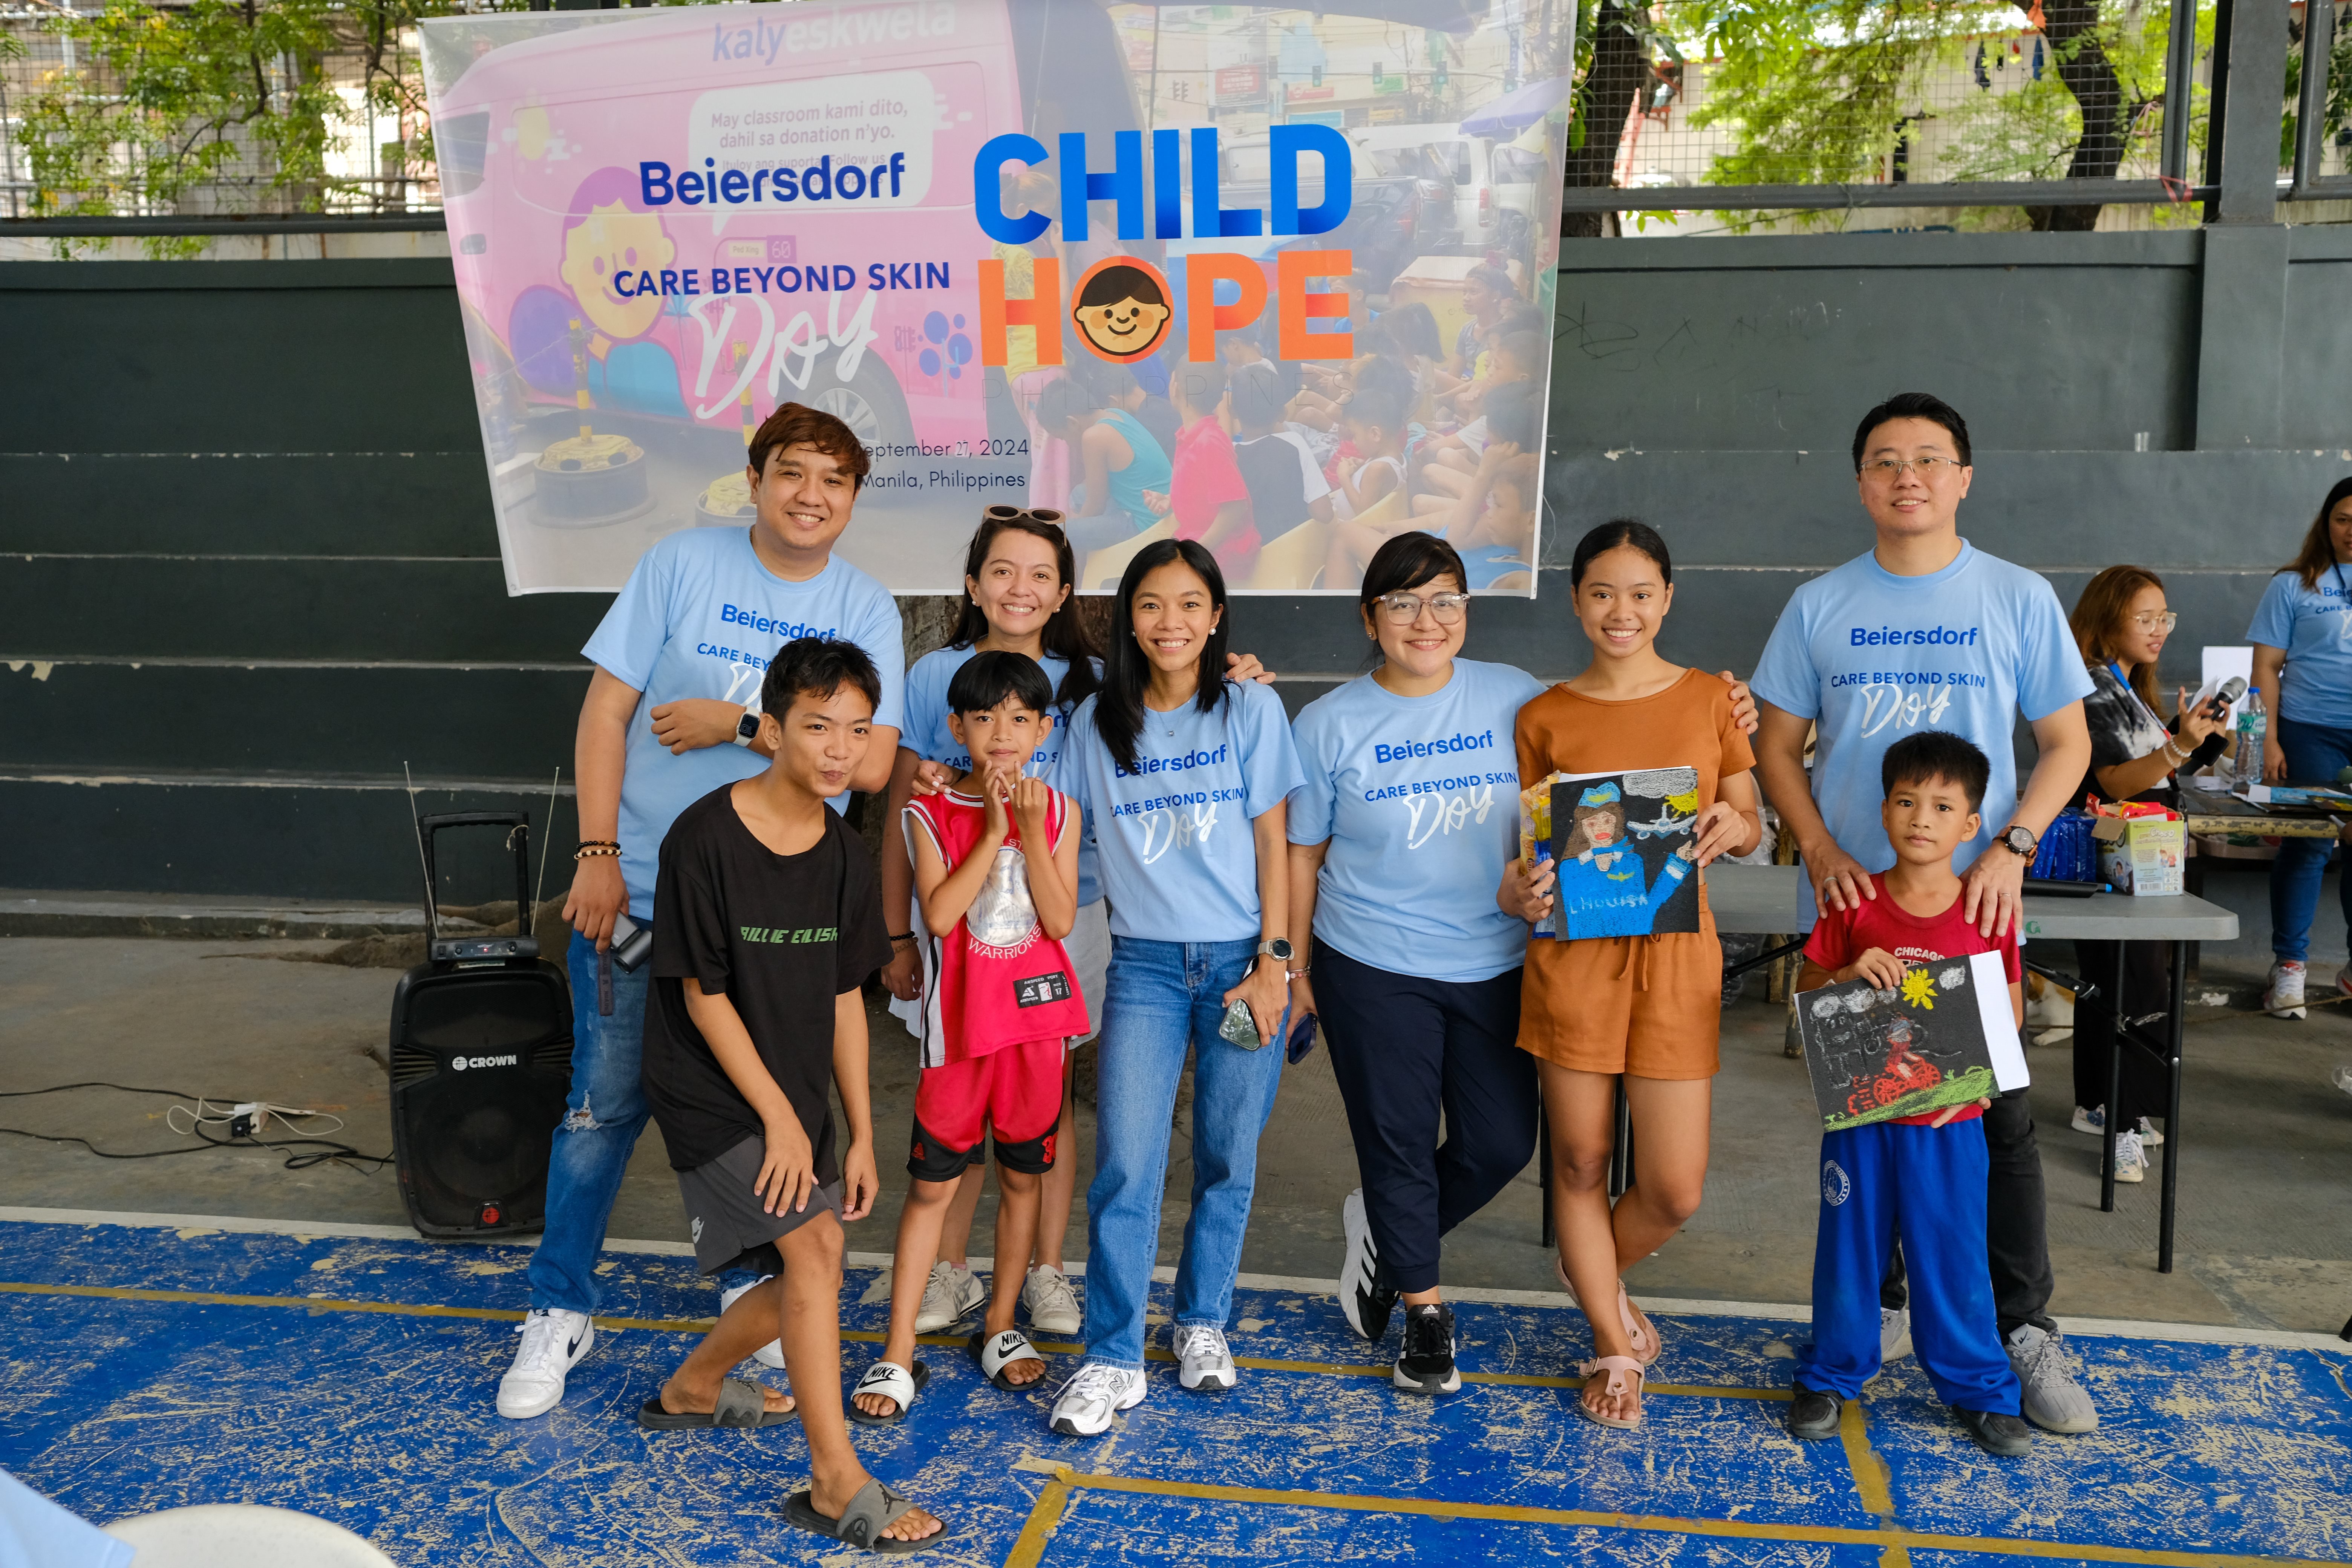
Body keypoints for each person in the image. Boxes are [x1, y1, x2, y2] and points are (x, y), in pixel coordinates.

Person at [498, 402, 903, 1420]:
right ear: (756, 479)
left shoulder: (867, 605)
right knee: (602, 1111)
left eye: (835, 480)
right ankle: (559, 1309)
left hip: (773, 928)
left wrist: (745, 727)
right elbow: (606, 712)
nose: (812, 496)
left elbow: (875, 763)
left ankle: (744, 1297)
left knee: (766, 1113)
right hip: (636, 896)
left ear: (855, 497)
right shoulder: (680, 563)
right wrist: (594, 854)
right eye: (793, 473)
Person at [1749, 391, 2097, 1436]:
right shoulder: (1819, 604)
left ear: (1964, 478)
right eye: (1888, 461)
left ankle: (2019, 1331)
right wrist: (1816, 844)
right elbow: (1774, 748)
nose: (1910, 476)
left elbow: (2068, 745)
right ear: (1862, 482)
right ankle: (1878, 1321)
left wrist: (2015, 842)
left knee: (1998, 1125)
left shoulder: (2017, 595)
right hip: (1860, 918)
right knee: (1869, 1131)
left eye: (1931, 459)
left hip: (1971, 911)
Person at [879, 511, 1276, 1342]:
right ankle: (952, 1269)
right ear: (972, 581)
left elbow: (1180, 706)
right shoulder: (935, 676)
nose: (1019, 589)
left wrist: (1235, 680)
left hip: (1073, 910)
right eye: (1001, 570)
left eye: (1040, 575)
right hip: (961, 909)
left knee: (1041, 1089)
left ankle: (1045, 1270)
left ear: (1066, 593)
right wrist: (895, 933)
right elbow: (905, 804)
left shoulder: (1094, 680)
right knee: (963, 1084)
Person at [633, 637, 941, 1550]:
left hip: (797, 1089)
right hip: (708, 1083)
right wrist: (774, 1118)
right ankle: (833, 1478)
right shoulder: (703, 838)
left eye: (856, 729)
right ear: (771, 731)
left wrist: (857, 1133)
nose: (840, 748)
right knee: (811, 1254)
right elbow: (704, 992)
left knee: (815, 1262)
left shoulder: (846, 854)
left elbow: (849, 996)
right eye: (817, 726)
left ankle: (692, 1388)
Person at [1498, 521, 1763, 1430]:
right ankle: (1615, 1346)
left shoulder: (1711, 698)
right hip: (1573, 960)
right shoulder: (1543, 717)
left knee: (1673, 1186)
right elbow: (1521, 861)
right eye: (1603, 593)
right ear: (1576, 601)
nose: (1623, 610)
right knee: (1576, 1160)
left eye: (1641, 592)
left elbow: (1748, 814)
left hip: (1676, 955)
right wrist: (1518, 891)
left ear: (1667, 599)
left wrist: (1735, 828)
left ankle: (1591, 1273)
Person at [1043, 540, 1304, 1435]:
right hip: (1146, 969)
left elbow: (1275, 846)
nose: (1171, 623)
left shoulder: (1251, 708)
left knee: (1228, 1154)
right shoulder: (1090, 726)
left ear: (1217, 614)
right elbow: (1055, 833)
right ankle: (1114, 1356)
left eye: (1190, 604)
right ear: (1127, 619)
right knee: (1127, 1159)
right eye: (1152, 605)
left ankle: (1201, 1322)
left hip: (1240, 967)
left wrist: (1277, 963)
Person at [1284, 533, 1545, 1395]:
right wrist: (1294, 967)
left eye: (1444, 600)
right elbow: (1301, 857)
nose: (1424, 620)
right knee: (1395, 1142)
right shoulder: (1327, 724)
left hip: (1496, 959)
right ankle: (1425, 1315)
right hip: (1372, 961)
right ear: (1371, 618)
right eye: (1401, 603)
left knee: (1500, 1142)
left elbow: (1610, 745)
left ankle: (1384, 1230)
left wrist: (1721, 711)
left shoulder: (1516, 698)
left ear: (1466, 610)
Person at [852, 651, 1090, 1426]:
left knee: (1023, 1180)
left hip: (1036, 1032)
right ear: (956, 726)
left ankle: (1000, 1326)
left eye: (1021, 718)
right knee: (931, 1188)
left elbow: (1058, 921)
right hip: (960, 1036)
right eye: (984, 718)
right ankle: (895, 1351)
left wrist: (1024, 823)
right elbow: (944, 914)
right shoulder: (926, 811)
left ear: (1044, 730)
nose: (1001, 733)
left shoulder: (1058, 810)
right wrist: (993, 829)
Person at [1784, 730, 2032, 1460]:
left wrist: (1975, 1091)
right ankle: (1830, 1373)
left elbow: (2009, 1014)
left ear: (1971, 824)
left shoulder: (1988, 909)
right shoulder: (1852, 904)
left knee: (1954, 1253)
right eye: (1905, 801)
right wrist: (1843, 977)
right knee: (1850, 1252)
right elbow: (1805, 997)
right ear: (1885, 809)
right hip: (1861, 1120)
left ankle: (1980, 1386)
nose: (1921, 817)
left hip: (1948, 1124)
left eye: (1942, 805)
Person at [2066, 565, 2223, 1181]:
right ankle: (2123, 1124)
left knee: (2112, 983)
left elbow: (2159, 772)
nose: (2160, 629)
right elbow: (2115, 781)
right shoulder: (2091, 686)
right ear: (2108, 619)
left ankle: (2097, 1105)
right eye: (2146, 618)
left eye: (2166, 618)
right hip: (2117, 851)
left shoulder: (2127, 686)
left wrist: (2200, 740)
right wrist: (2180, 746)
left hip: (2136, 853)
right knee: (2138, 986)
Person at [2245, 477, 2352, 1018]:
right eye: (2343, 518)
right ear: (2325, 523)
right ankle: (2290, 967)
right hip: (2311, 729)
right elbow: (2266, 667)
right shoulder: (2293, 585)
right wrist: (2269, 739)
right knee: (2309, 843)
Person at [1036, 376, 1171, 559]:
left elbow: (1096, 505)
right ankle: (1086, 559)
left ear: (1072, 423)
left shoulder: (1094, 437)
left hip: (1144, 524)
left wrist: (1074, 533)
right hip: (1159, 508)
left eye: (1063, 437)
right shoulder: (1114, 414)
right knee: (1078, 495)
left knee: (1053, 534)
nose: (1067, 444)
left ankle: (1078, 571)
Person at [1160, 360, 1259, 581]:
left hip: (1221, 552)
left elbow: (1235, 506)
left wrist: (1197, 553)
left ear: (1176, 388)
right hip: (1202, 544)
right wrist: (1171, 499)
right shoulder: (1193, 436)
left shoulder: (1209, 441)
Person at [1231, 362, 1334, 542]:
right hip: (1299, 554)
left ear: (1232, 412)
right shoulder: (1294, 443)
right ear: (1283, 414)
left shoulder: (1228, 456)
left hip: (1253, 558)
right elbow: (1324, 513)